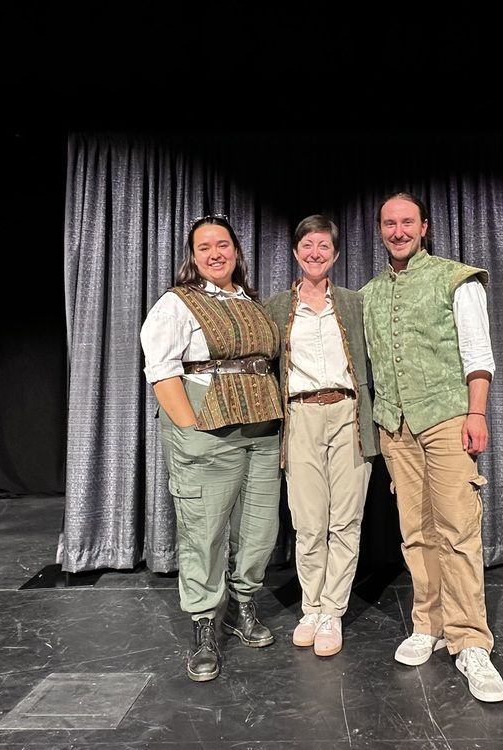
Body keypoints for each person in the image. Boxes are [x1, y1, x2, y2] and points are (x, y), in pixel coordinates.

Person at [360, 191, 503, 703]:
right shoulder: (372, 292)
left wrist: (477, 412)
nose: (397, 231)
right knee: (415, 533)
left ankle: (470, 640)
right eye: (388, 223)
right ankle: (429, 623)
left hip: (446, 418)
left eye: (407, 222)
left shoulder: (455, 278)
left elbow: (478, 351)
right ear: (380, 229)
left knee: (458, 530)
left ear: (424, 226)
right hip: (395, 426)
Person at [140, 214, 284, 683]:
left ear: (237, 251)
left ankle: (242, 609)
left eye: (223, 244)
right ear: (193, 256)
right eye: (205, 247)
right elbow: (161, 370)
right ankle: (204, 622)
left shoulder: (251, 302)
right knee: (204, 531)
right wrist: (190, 426)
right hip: (206, 425)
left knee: (259, 530)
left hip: (261, 428)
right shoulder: (177, 303)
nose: (216, 253)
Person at [265, 215, 378, 657]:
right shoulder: (276, 307)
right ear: (296, 252)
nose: (315, 253)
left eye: (323, 246)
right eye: (307, 245)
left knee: (345, 520)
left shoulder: (353, 302)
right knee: (308, 521)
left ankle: (333, 610)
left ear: (335, 254)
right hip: (300, 415)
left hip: (349, 412)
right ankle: (310, 607)